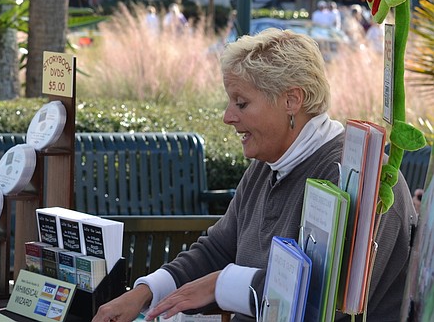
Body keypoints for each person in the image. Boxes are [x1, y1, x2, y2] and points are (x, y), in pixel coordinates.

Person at [92, 28, 415, 322]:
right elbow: (219, 248)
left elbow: (325, 303)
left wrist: (222, 284)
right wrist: (144, 293)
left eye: (242, 103)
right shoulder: (269, 162)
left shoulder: (356, 178)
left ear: (292, 100)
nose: (227, 117)